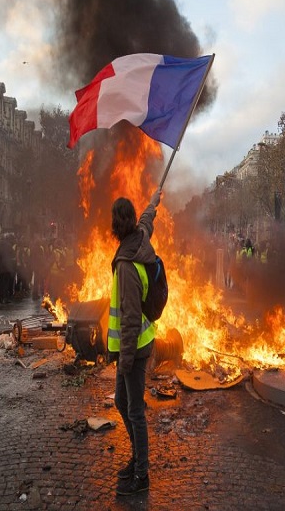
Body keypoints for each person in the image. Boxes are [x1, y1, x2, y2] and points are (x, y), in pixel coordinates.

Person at [109, 189, 161, 497]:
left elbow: (128, 319)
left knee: (135, 410)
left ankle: (142, 474)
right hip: (136, 344)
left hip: (135, 347)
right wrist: (153, 202)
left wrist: (124, 360)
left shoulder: (127, 262)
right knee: (121, 401)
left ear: (115, 225)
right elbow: (147, 221)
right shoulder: (140, 239)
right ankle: (137, 458)